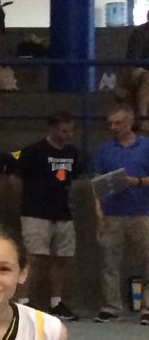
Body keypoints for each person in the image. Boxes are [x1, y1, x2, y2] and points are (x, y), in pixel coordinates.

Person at [11, 110, 82, 319]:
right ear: (51, 129)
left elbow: (73, 179)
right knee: (33, 257)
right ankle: (23, 301)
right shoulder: (33, 151)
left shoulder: (72, 153)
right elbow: (15, 180)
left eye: (70, 131)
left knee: (62, 257)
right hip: (36, 212)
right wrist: (27, 202)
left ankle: (56, 302)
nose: (68, 135)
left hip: (63, 213)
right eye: (63, 131)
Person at [93, 102, 149, 321]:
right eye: (110, 124)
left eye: (118, 123)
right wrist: (98, 211)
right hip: (112, 212)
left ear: (130, 122)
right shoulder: (104, 149)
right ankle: (112, 307)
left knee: (147, 261)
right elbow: (97, 182)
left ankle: (147, 307)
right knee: (109, 262)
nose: (114, 128)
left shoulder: (146, 146)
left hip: (142, 212)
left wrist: (137, 182)